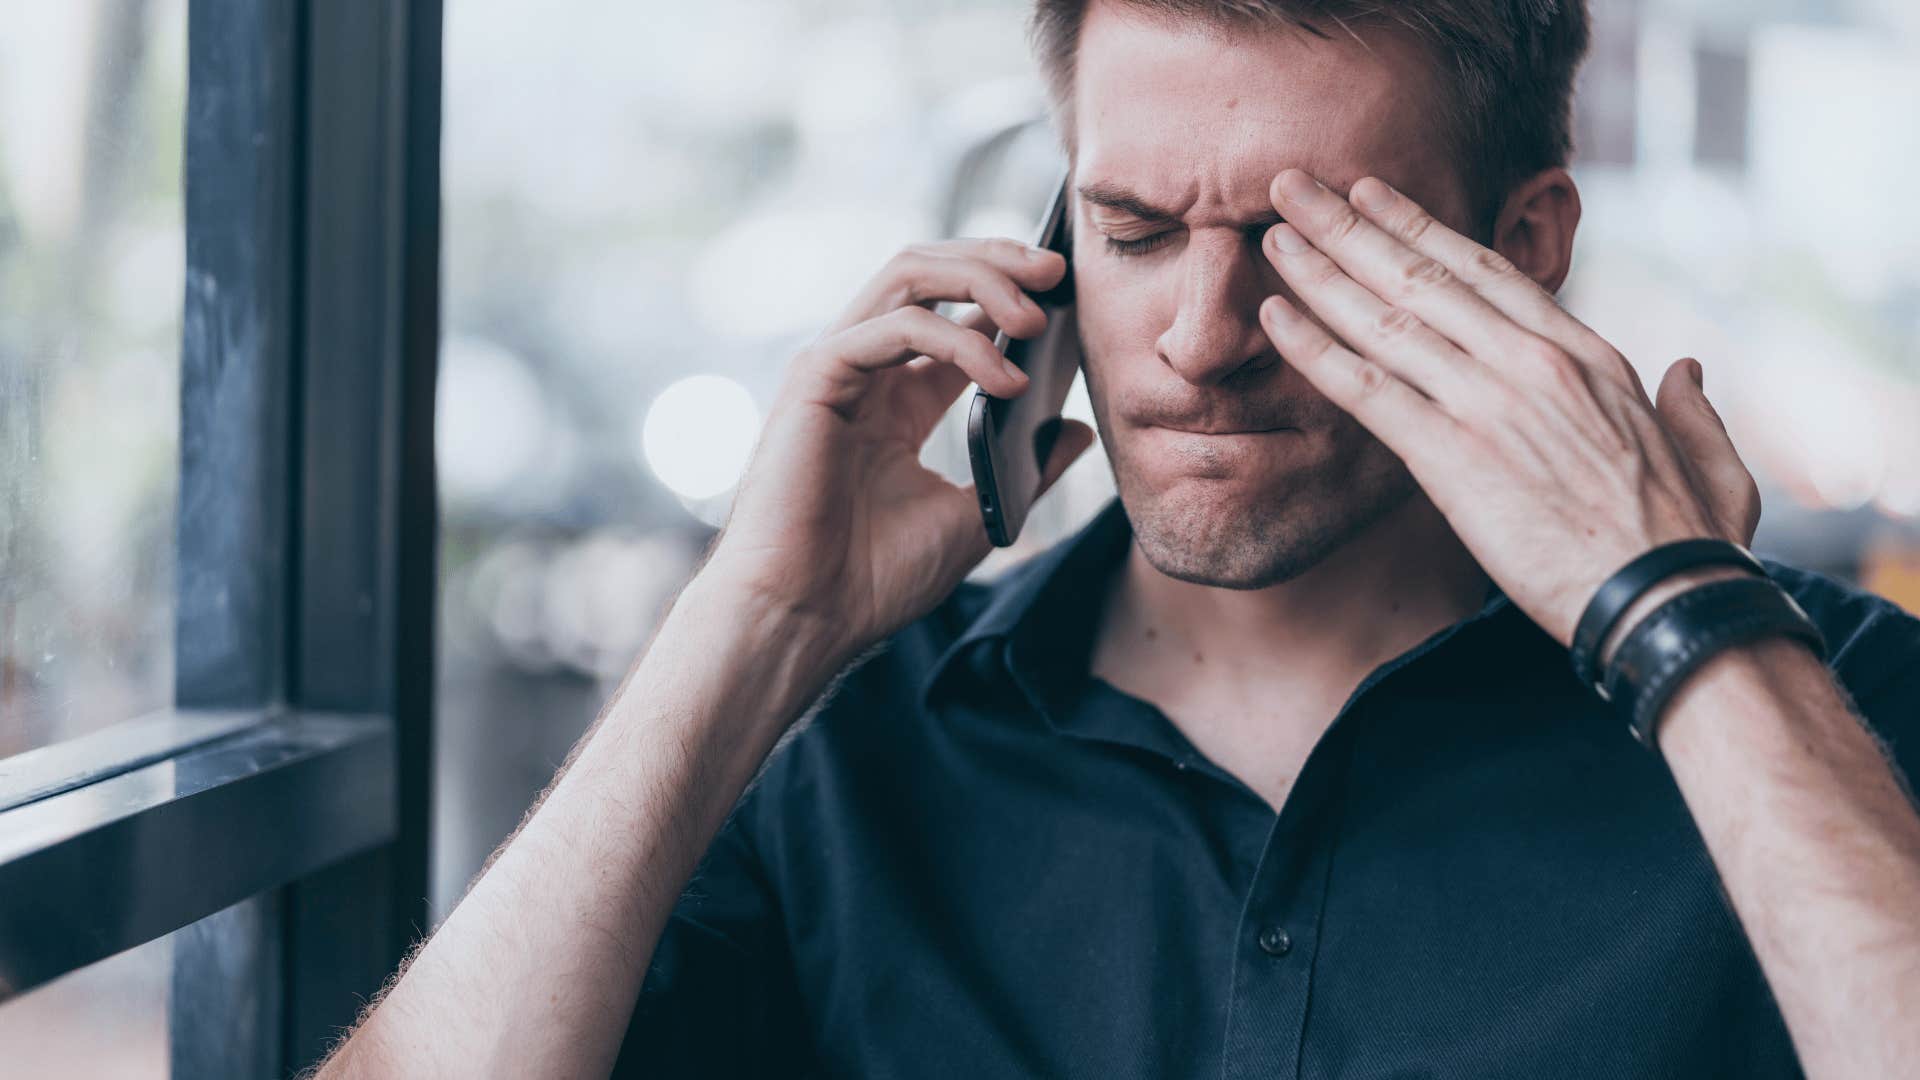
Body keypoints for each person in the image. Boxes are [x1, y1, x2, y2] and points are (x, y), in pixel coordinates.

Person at [313, 1, 1920, 1076]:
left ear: (1524, 246)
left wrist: (1677, 624)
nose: (1201, 338)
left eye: (1305, 246)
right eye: (1135, 232)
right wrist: (751, 629)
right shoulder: (852, 762)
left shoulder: (1836, 711)